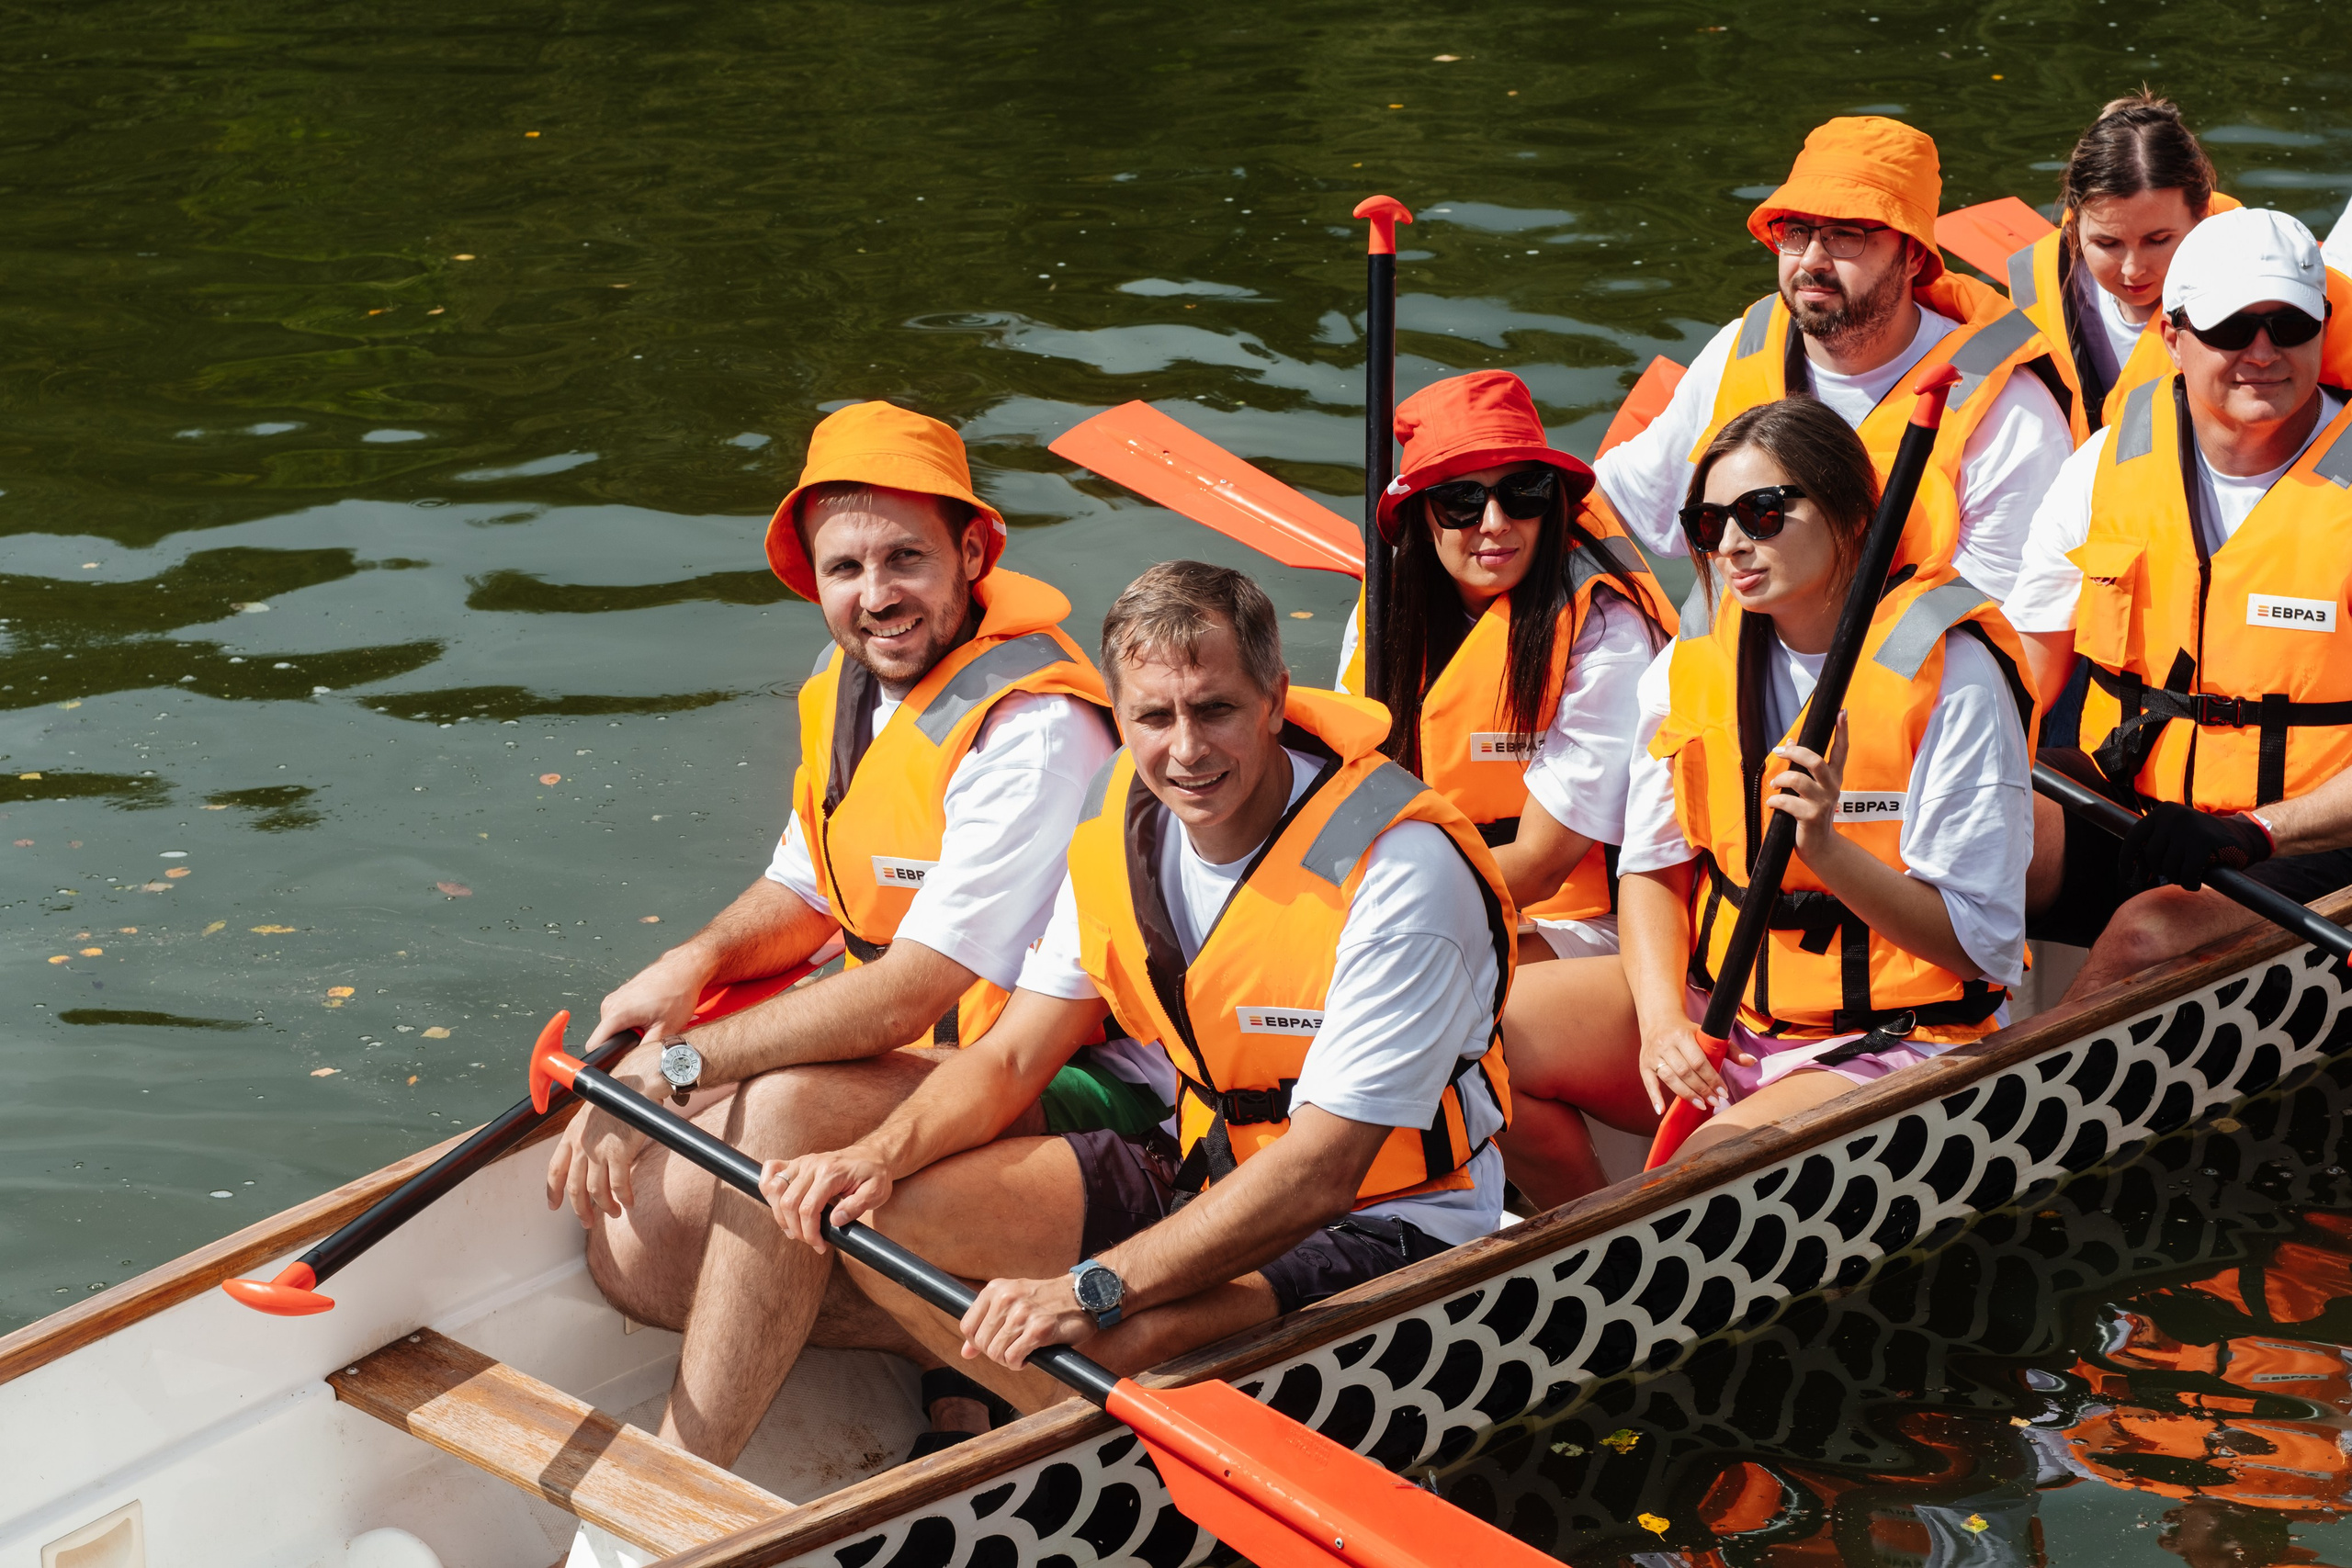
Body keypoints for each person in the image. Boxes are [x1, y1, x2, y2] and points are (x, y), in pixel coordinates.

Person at [755, 561, 1516, 1407]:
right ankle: (1053, 1438)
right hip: (1209, 1168)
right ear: (1120, 716)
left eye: (1216, 708)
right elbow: (1011, 1058)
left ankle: (1081, 1458)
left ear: (1274, 697)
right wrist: (873, 1158)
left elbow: (1321, 1172)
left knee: (1120, 1342)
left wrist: (1089, 1286)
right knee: (876, 1226)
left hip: (1392, 1217)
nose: (1186, 749)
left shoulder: (1400, 868)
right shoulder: (1117, 821)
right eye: (1154, 716)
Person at [540, 400, 1137, 1466]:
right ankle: (963, 1355)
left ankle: (677, 1484)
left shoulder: (1036, 730)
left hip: (1082, 1088)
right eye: (846, 568)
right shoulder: (848, 686)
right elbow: (810, 891)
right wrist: (696, 965)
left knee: (787, 1108)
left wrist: (673, 1072)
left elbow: (913, 987)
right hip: (926, 1071)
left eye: (907, 558)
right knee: (629, 1260)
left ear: (972, 552)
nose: (877, 596)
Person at [1501, 397, 2035, 1198]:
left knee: (1695, 1184)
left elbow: (1982, 945)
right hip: (1725, 1005)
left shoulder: (1953, 675)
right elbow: (1653, 868)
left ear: (1853, 514)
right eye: (1708, 523)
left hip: (1891, 1035)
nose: (1732, 545)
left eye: (1762, 513)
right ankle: (1572, 1236)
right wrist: (1660, 1027)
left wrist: (1826, 850)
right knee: (1468, 1039)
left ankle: (1639, 1235)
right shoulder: (1695, 661)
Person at [2005, 208, 2352, 999]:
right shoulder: (2109, 462)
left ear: (2321, 330)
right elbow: (2027, 663)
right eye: (2232, 328)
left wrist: (2253, 831)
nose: (2261, 353)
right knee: (1976, 838)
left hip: (2307, 833)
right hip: (2139, 804)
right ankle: (1899, 1047)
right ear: (2173, 335)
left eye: (2289, 325)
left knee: (2149, 932)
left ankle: (2040, 1095)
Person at [1594, 115, 2074, 601]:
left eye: (1846, 235)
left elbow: (2018, 632)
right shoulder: (1739, 350)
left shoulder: (2009, 415)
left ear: (1912, 256)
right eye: (1796, 232)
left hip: (1909, 676)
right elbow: (1618, 503)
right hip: (1731, 669)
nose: (1811, 261)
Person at [1335, 370, 1674, 967]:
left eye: (1523, 493)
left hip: (1588, 920)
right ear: (1421, 515)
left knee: (1425, 982)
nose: (1493, 522)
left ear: (1554, 504)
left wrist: (1384, 915)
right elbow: (1351, 794)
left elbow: (1542, 866)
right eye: (1461, 501)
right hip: (1425, 897)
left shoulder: (1607, 629)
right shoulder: (1385, 613)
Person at [2004, 93, 2352, 447]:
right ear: (2076, 222)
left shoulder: (2283, 296)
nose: (2132, 269)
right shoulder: (2034, 274)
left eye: (2158, 240)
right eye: (2107, 244)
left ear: (2202, 214)